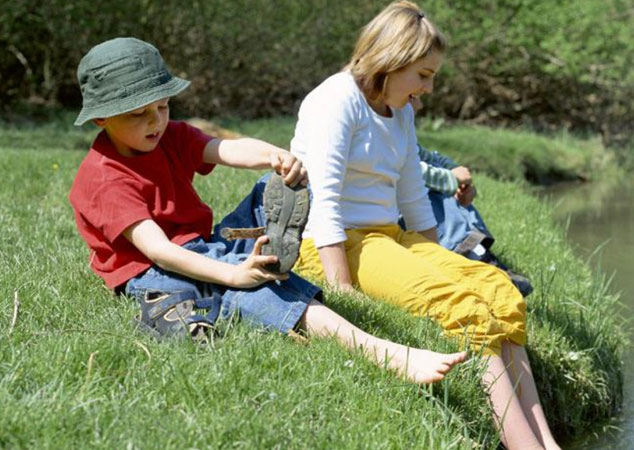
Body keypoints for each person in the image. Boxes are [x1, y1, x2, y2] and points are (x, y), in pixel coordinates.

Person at [68, 37, 466, 384]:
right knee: (249, 286)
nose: (156, 121)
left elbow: (225, 149)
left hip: (198, 243)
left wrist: (274, 156)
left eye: (164, 106)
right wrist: (233, 275)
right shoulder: (105, 179)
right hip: (151, 269)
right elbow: (158, 251)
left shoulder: (167, 136)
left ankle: (257, 264)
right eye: (138, 114)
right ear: (102, 118)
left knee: (269, 189)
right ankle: (382, 351)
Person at [289, 3, 559, 449]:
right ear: (390, 62)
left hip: (389, 238)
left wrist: (437, 259)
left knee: (499, 291)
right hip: (331, 244)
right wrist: (341, 288)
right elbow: (325, 200)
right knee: (464, 308)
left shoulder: (403, 111)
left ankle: (547, 443)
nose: (429, 88)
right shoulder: (335, 100)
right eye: (423, 74)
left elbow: (413, 196)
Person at [406, 98, 533, 296]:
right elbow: (407, 170)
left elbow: (428, 157)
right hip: (384, 215)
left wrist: (456, 172)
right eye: (413, 98)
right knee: (430, 193)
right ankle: (470, 259)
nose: (421, 104)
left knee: (447, 187)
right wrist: (450, 179)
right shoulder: (381, 130)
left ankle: (480, 255)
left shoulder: (400, 130)